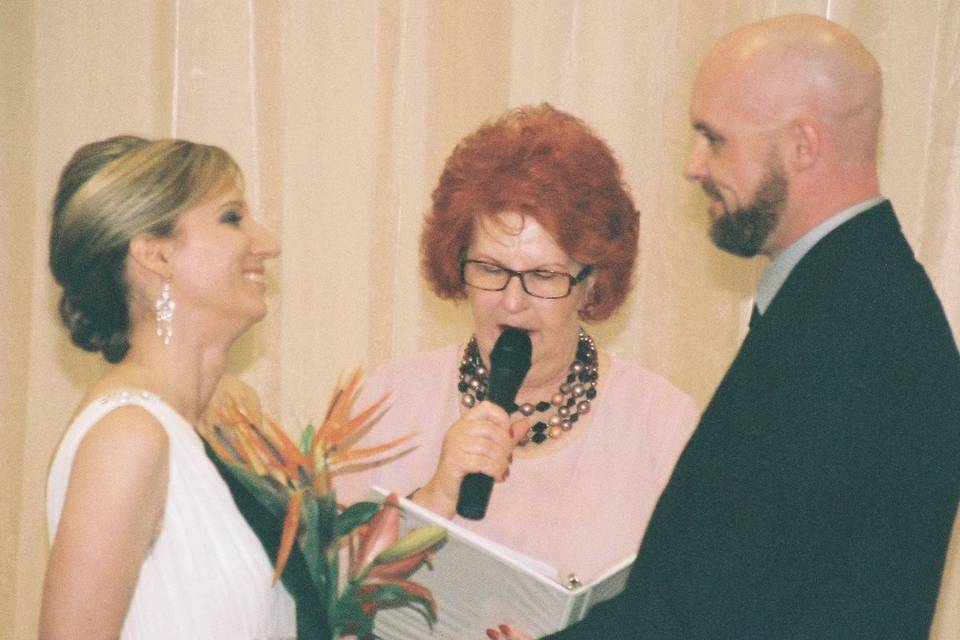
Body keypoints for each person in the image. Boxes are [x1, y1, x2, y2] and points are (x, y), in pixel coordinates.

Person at [494, 14, 960, 640]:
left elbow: (712, 611)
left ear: (803, 144)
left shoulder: (847, 334)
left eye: (714, 139)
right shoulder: (862, 298)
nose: (693, 165)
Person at [337, 104, 699, 588]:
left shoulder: (661, 423)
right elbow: (328, 597)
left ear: (592, 282)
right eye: (489, 270)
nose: (511, 303)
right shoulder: (386, 402)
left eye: (544, 276)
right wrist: (437, 495)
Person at [40, 136, 295, 639]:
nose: (267, 243)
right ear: (155, 255)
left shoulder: (227, 420)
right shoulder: (128, 438)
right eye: (231, 218)